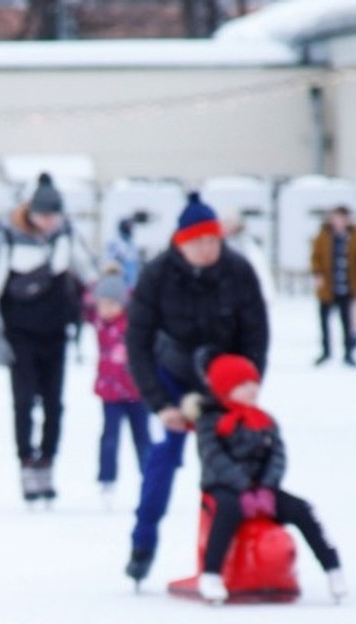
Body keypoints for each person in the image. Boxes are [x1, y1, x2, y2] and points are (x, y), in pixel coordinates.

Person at [121, 191, 270, 582]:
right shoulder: (156, 275)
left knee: (235, 464)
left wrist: (247, 388)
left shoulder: (238, 272)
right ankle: (143, 543)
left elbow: (256, 334)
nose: (207, 249)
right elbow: (137, 341)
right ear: (181, 242)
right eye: (198, 242)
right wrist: (159, 404)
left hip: (225, 381)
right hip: (171, 378)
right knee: (163, 458)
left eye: (214, 241)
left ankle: (238, 554)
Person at [182, 353, 344, 604]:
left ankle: (332, 567)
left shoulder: (264, 419)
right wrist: (243, 487)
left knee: (301, 509)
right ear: (226, 388)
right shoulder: (209, 421)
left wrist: (267, 487)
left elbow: (278, 456)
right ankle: (212, 574)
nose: (252, 389)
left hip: (263, 489)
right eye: (243, 385)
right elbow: (214, 458)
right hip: (223, 487)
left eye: (254, 383)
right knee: (227, 511)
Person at [0, 172, 93, 504]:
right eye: (44, 215)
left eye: (55, 216)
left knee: (55, 404)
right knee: (25, 403)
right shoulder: (8, 237)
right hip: (20, 335)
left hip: (55, 333)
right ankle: (26, 462)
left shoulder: (66, 236)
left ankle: (48, 462)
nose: (50, 222)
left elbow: (89, 273)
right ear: (31, 212)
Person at [86, 272, 152, 499]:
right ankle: (107, 478)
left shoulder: (133, 323)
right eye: (102, 304)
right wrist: (104, 275)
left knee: (142, 437)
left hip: (136, 392)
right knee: (110, 436)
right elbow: (84, 297)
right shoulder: (100, 324)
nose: (106, 309)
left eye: (111, 304)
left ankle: (149, 475)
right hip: (111, 393)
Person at [310, 205, 356, 367]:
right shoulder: (324, 235)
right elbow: (315, 257)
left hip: (346, 286)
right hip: (328, 286)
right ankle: (326, 352)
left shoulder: (354, 236)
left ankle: (348, 353)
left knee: (347, 322)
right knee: (324, 321)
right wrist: (317, 273)